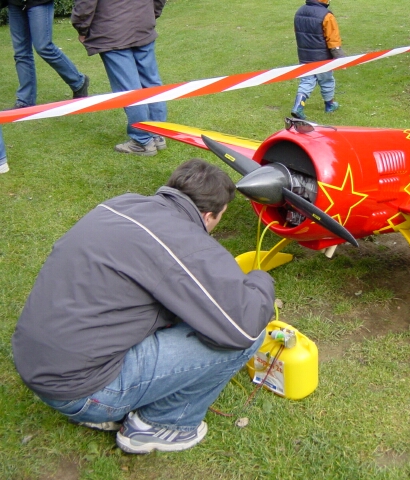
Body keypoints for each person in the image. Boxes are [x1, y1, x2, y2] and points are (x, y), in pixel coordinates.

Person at [12, 159, 276, 454]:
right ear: (209, 215)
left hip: (33, 362)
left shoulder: (120, 204)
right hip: (82, 389)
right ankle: (162, 423)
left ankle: (105, 404)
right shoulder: (183, 240)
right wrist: (259, 279)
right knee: (250, 335)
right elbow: (242, 326)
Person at [71, 0, 168, 157]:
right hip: (141, 21)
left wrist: (81, 27)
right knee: (151, 83)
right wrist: (150, 13)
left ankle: (142, 141)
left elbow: (85, 3)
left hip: (113, 29)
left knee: (129, 89)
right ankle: (157, 134)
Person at [7, 0, 89, 109]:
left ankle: (78, 81)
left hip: (39, 2)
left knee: (43, 47)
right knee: (21, 53)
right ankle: (25, 100)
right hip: (15, 3)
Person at [291, 0, 346, 120]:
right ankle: (330, 105)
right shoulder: (326, 15)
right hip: (322, 58)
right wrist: (340, 58)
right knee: (327, 80)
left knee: (306, 81)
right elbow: (333, 40)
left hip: (304, 55)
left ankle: (298, 106)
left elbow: (298, 32)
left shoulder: (299, 12)